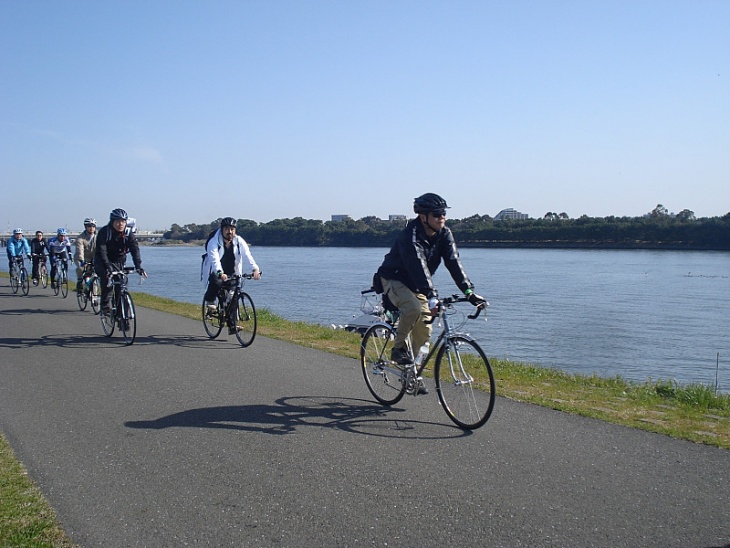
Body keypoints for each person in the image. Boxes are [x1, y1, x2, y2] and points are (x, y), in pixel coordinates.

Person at [376, 193, 485, 373]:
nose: (441, 217)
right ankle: (398, 349)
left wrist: (469, 292)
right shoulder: (410, 236)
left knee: (424, 329)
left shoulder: (444, 234)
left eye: (443, 213)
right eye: (436, 214)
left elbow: (454, 263)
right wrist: (432, 296)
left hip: (417, 284)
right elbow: (418, 265)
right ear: (423, 217)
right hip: (393, 278)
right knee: (413, 309)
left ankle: (413, 372)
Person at [202, 217, 261, 334]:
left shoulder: (239, 241)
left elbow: (247, 255)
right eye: (227, 229)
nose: (230, 232)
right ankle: (210, 301)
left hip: (233, 272)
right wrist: (219, 272)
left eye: (232, 229)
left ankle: (232, 326)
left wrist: (255, 269)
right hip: (216, 270)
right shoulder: (214, 242)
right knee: (216, 281)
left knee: (233, 297)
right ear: (222, 230)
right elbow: (214, 260)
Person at [94, 208, 146, 313]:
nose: (120, 224)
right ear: (112, 221)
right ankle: (105, 307)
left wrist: (138, 266)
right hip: (103, 260)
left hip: (119, 261)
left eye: (123, 221)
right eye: (117, 221)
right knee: (108, 283)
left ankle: (122, 315)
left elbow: (134, 249)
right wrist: (107, 267)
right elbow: (102, 251)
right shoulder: (105, 232)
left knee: (122, 287)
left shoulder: (128, 233)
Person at [74, 218, 97, 292]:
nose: (91, 228)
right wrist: (82, 260)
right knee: (81, 268)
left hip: (93, 257)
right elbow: (80, 249)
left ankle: (94, 294)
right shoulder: (80, 237)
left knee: (95, 274)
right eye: (89, 226)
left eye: (93, 226)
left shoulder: (98, 236)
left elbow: (101, 248)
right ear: (85, 227)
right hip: (81, 257)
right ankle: (79, 281)